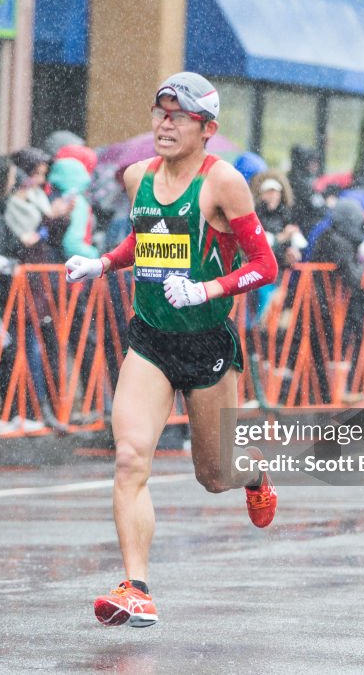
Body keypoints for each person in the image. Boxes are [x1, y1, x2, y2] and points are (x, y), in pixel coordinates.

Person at [64, 72, 278, 628]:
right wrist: (104, 263)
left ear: (206, 129)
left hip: (206, 342)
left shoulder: (223, 183)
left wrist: (207, 288)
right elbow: (149, 237)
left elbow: (265, 265)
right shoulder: (139, 176)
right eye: (160, 113)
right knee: (131, 457)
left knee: (214, 474)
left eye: (178, 116)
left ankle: (252, 475)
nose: (164, 124)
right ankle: (136, 587)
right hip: (151, 338)